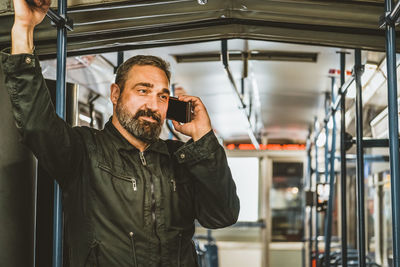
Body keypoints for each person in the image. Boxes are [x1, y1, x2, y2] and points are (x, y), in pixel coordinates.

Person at [1, 0, 240, 266]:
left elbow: (223, 215)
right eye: (142, 91)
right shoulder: (84, 151)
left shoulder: (180, 159)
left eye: (162, 96)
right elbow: (36, 123)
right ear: (115, 94)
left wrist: (203, 138)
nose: (153, 105)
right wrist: (24, 27)